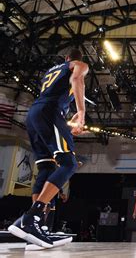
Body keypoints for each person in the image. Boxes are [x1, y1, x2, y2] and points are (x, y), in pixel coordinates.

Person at [8, 49, 88, 249]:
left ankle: (37, 228)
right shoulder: (78, 65)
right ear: (76, 60)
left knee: (47, 169)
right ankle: (31, 218)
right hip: (49, 112)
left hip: (35, 114)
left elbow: (55, 95)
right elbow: (78, 79)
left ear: (66, 58)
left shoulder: (51, 72)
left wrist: (67, 122)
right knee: (68, 164)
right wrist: (81, 112)